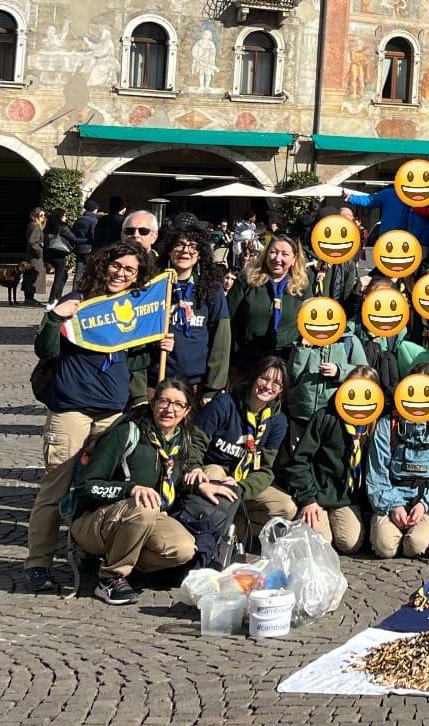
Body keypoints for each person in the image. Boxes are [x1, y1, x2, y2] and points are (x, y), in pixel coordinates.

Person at [22, 242, 155, 594]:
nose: (121, 273)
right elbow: (45, 349)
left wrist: (160, 347)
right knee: (56, 488)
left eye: (130, 270)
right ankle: (38, 563)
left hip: (113, 411)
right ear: (103, 265)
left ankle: (97, 556)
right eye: (116, 266)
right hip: (72, 408)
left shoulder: (133, 309)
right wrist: (55, 317)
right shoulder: (80, 302)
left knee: (106, 488)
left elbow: (133, 360)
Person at [66, 375, 209, 604]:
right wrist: (130, 489)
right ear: (153, 403)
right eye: (164, 401)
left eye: (178, 404)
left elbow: (179, 472)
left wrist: (199, 477)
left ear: (187, 410)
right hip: (95, 520)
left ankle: (127, 566)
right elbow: (87, 486)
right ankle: (109, 578)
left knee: (183, 549)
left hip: (146, 517)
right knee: (145, 506)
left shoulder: (182, 440)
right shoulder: (127, 432)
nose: (169, 409)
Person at [186, 356, 296, 562]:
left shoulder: (278, 421)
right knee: (216, 477)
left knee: (287, 506)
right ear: (254, 378)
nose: (268, 386)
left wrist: (242, 487)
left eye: (276, 383)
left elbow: (266, 470)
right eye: (264, 378)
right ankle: (208, 538)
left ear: (281, 390)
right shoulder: (224, 404)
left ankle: (239, 531)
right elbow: (195, 443)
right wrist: (194, 467)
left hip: (244, 479)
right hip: (215, 469)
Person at [281, 369, 381, 554]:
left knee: (350, 544)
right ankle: (304, 519)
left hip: (346, 499)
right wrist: (308, 499)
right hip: (317, 494)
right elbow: (299, 462)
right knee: (321, 543)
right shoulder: (325, 417)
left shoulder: (372, 424)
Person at [364, 372, 429, 558]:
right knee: (385, 548)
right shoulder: (388, 424)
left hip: (425, 501)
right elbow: (376, 474)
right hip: (390, 500)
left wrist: (425, 505)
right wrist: (394, 506)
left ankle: (428, 526)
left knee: (415, 546)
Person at [155, 223, 232, 403]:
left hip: (195, 385)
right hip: (157, 380)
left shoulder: (212, 290)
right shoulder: (154, 286)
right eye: (179, 244)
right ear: (169, 250)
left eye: (193, 246)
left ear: (200, 254)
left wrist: (212, 388)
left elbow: (220, 341)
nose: (185, 251)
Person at [229, 235, 309, 370]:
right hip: (247, 362)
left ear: (294, 259)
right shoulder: (246, 281)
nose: (277, 258)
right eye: (273, 252)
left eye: (284, 254)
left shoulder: (302, 288)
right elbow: (227, 320)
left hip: (285, 364)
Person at [41, 208, 77, 305]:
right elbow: (74, 239)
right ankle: (52, 300)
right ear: (60, 217)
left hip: (49, 254)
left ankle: (58, 297)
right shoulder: (62, 227)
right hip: (59, 254)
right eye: (64, 215)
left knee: (64, 275)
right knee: (59, 277)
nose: (66, 217)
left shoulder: (48, 226)